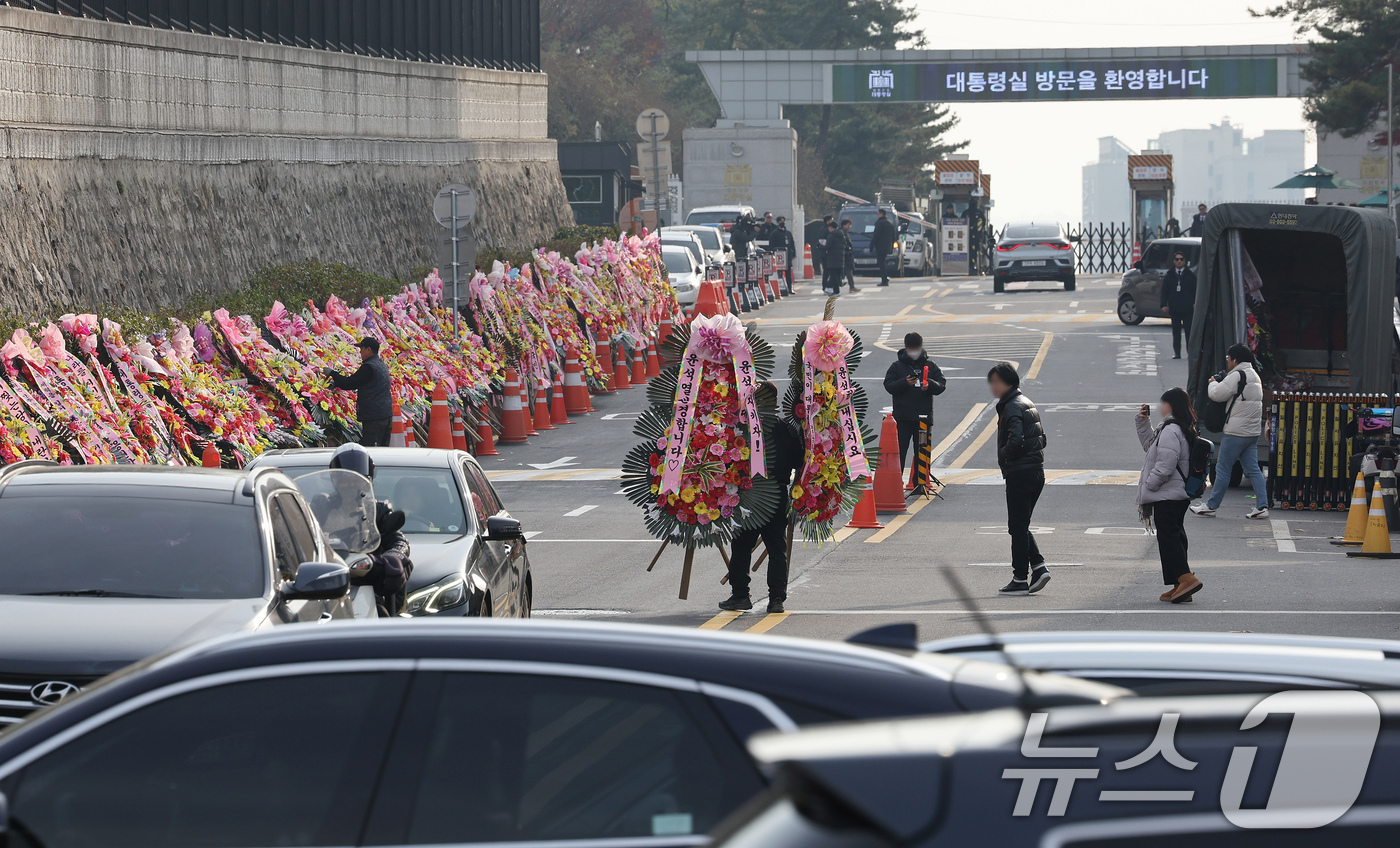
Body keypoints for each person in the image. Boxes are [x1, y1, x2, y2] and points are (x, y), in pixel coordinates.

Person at [720, 382, 805, 614]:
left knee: (741, 546)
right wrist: (795, 490)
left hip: (748, 496)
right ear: (776, 403)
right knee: (777, 549)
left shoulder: (743, 429)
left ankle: (740, 595)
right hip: (777, 495)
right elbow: (801, 463)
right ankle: (776, 598)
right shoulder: (788, 429)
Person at [327, 444, 413, 617]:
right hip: (327, 579)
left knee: (382, 616)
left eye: (357, 478)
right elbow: (303, 533)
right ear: (334, 480)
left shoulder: (377, 510)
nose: (351, 483)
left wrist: (393, 556)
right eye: (345, 478)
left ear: (368, 480)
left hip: (366, 580)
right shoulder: (321, 506)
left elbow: (398, 540)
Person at [988, 362, 1050, 595]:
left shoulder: (1012, 406)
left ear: (1010, 383)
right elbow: (1043, 439)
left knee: (1017, 526)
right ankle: (1038, 567)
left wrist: (1006, 457)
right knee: (1020, 525)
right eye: (992, 382)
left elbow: (1016, 439)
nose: (993, 387)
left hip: (1021, 473)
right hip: (1035, 471)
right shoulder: (1026, 403)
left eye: (997, 382)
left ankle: (1020, 577)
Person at [1136, 388, 1202, 604]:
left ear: (1171, 405)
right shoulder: (1176, 427)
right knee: (1175, 535)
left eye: (1163, 403)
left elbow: (1165, 464)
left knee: (1169, 536)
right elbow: (1150, 447)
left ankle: (1186, 578)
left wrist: (1150, 484)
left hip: (1168, 493)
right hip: (1175, 493)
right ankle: (1179, 585)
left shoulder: (1172, 430)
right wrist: (1143, 422)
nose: (1160, 407)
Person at [1191, 343, 1268, 519]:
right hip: (1252, 432)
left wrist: (1212, 383)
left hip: (1236, 432)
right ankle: (1262, 506)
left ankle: (1211, 506)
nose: (1228, 363)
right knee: (1253, 470)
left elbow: (1217, 394)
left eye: (1228, 359)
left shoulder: (1237, 375)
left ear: (1235, 360)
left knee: (1223, 469)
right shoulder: (1254, 375)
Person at [882, 333, 947, 471]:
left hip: (923, 418)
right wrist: (904, 382)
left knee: (922, 453)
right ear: (906, 348)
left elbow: (942, 384)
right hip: (903, 417)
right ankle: (896, 482)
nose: (914, 352)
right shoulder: (897, 366)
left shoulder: (930, 365)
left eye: (916, 348)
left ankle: (921, 482)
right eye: (911, 349)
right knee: (900, 452)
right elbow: (889, 385)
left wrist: (930, 384)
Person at [324, 337, 393, 446]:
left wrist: (332, 373)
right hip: (385, 415)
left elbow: (350, 383)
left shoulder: (369, 367)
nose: (360, 352)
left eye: (362, 349)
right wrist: (336, 383)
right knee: (382, 449)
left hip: (375, 417)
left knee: (370, 449)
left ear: (368, 350)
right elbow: (362, 381)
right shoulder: (380, 364)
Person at [1160, 250, 1197, 359]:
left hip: (1188, 308)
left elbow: (1196, 290)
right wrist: (1163, 304)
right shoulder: (1169, 275)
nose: (1179, 261)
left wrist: (1195, 303)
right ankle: (1177, 353)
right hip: (1175, 308)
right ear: (1174, 261)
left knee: (1189, 332)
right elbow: (1164, 291)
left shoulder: (1190, 276)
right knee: (1176, 332)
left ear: (1185, 261)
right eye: (1177, 259)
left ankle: (1190, 353)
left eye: (1181, 259)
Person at [872, 209, 898, 287]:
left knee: (881, 263)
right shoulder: (890, 223)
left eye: (878, 214)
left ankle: (884, 279)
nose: (877, 215)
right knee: (883, 262)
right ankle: (885, 278)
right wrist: (892, 246)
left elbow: (876, 235)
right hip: (887, 246)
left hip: (880, 246)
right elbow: (893, 236)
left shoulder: (880, 223)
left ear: (881, 214)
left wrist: (871, 245)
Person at [821, 220, 846, 295]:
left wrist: (822, 246)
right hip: (840, 258)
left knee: (833, 275)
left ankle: (834, 290)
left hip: (832, 258)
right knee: (836, 275)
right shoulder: (842, 235)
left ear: (831, 228)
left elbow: (828, 247)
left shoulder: (831, 236)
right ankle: (836, 291)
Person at [774, 215, 797, 294]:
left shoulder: (788, 233)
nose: (782, 223)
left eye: (783, 221)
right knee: (779, 273)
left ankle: (790, 288)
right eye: (780, 221)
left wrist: (793, 253)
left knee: (788, 273)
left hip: (787, 255)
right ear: (777, 223)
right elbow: (771, 245)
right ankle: (780, 289)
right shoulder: (774, 233)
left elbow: (792, 244)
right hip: (778, 256)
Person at [840, 218, 860, 293]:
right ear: (844, 225)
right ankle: (851, 286)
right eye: (848, 225)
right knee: (848, 272)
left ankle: (852, 286)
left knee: (848, 272)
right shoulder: (843, 233)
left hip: (846, 255)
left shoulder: (844, 232)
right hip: (846, 255)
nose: (850, 226)